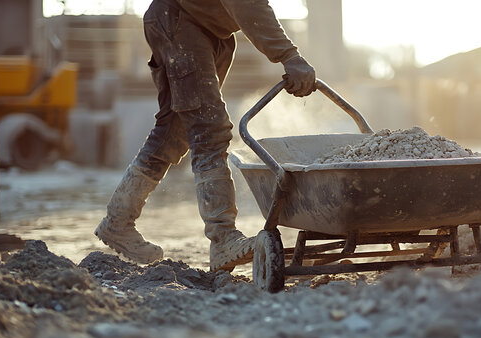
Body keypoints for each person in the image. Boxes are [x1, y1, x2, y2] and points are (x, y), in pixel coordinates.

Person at [95, 0, 316, 271]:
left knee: (175, 132)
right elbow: (247, 4)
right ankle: (222, 238)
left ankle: (117, 220)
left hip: (207, 30)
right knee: (209, 129)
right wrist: (289, 55)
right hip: (180, 21)